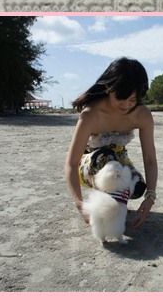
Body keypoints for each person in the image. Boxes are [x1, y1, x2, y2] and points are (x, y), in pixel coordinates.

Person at [65, 57, 157, 229]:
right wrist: (80, 204)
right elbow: (71, 163)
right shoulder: (91, 115)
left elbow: (150, 158)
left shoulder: (142, 115)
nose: (126, 105)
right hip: (89, 166)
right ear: (109, 87)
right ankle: (104, 202)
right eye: (121, 98)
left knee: (137, 186)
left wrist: (150, 196)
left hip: (119, 160)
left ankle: (114, 204)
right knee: (108, 159)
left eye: (133, 100)